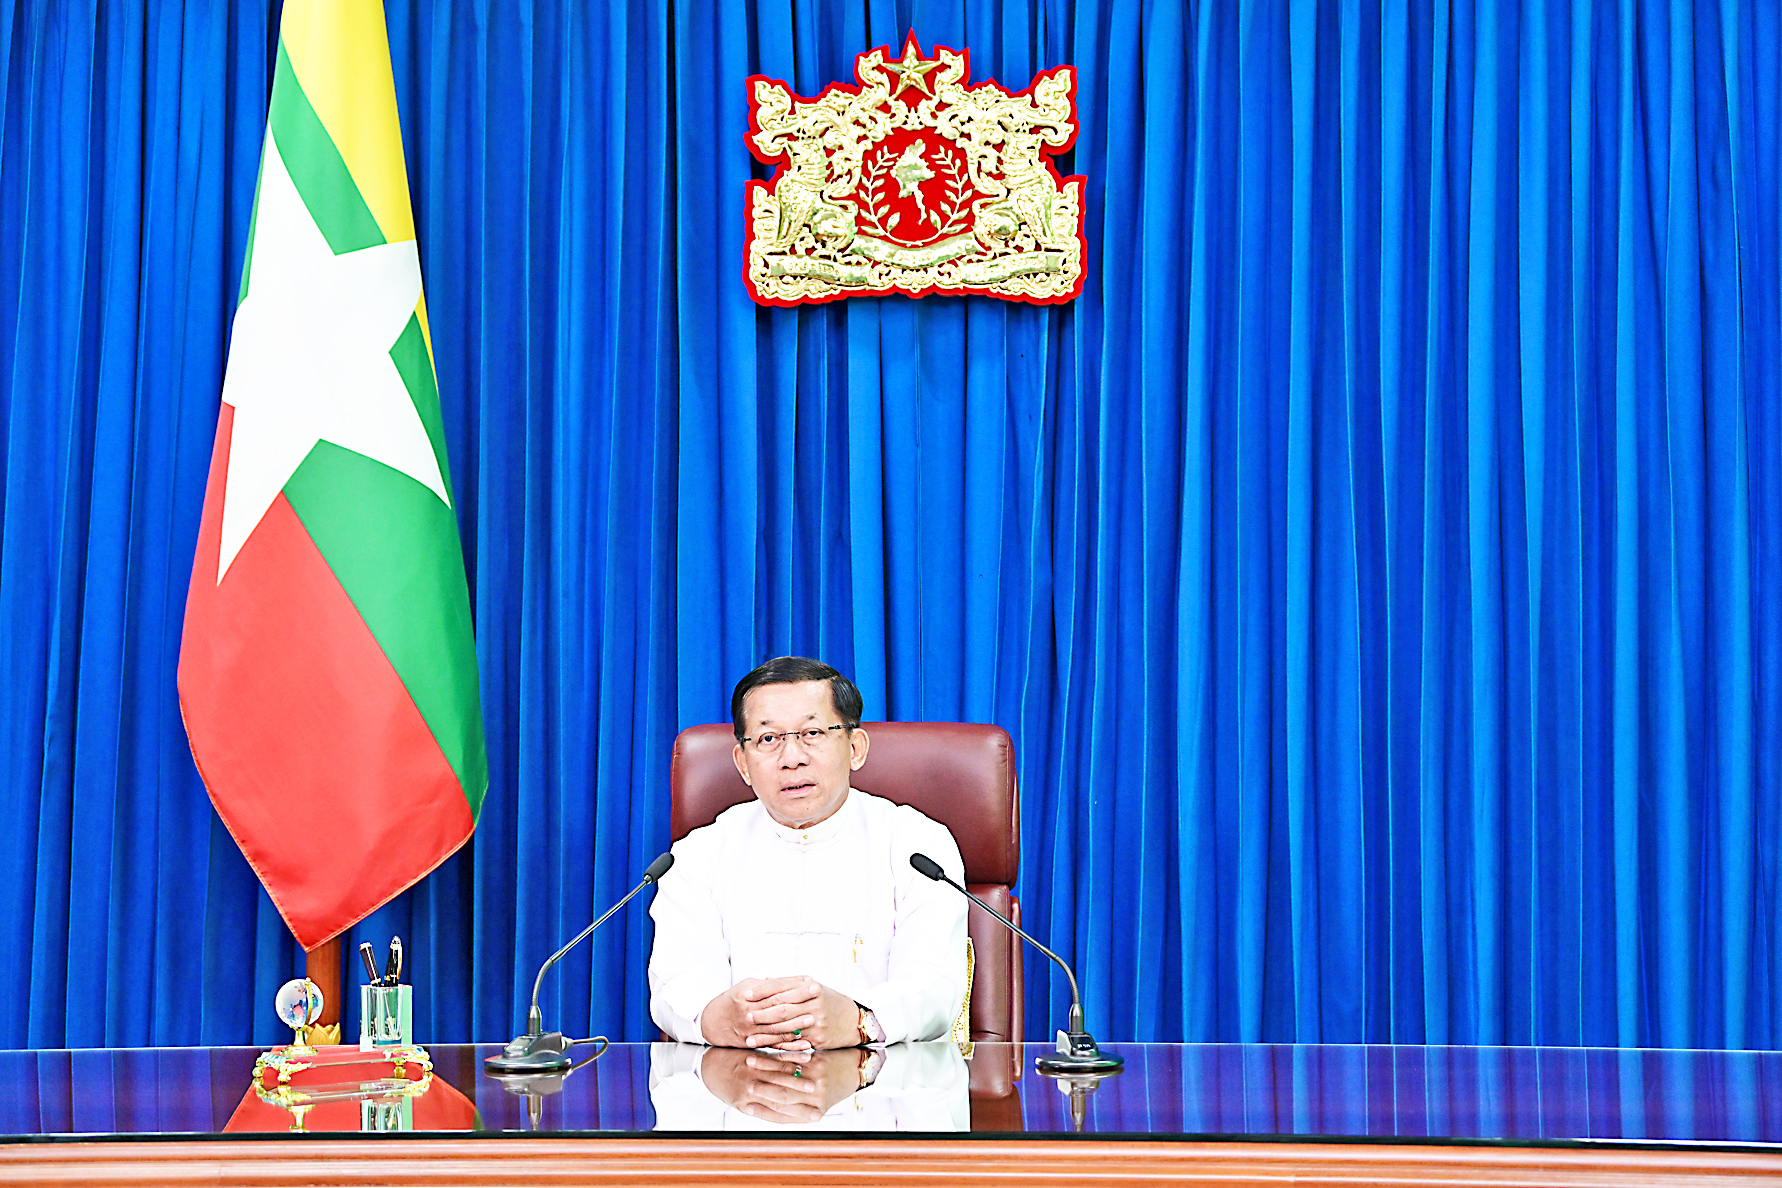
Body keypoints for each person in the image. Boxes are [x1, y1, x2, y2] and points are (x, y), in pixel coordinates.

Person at [648, 656, 969, 1052]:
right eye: (768, 739)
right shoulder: (699, 855)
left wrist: (859, 1019)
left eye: (812, 733)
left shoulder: (916, 846)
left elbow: (933, 985)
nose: (792, 758)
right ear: (743, 764)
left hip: (882, 1078)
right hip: (740, 1079)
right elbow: (677, 982)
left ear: (855, 748)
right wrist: (717, 1017)